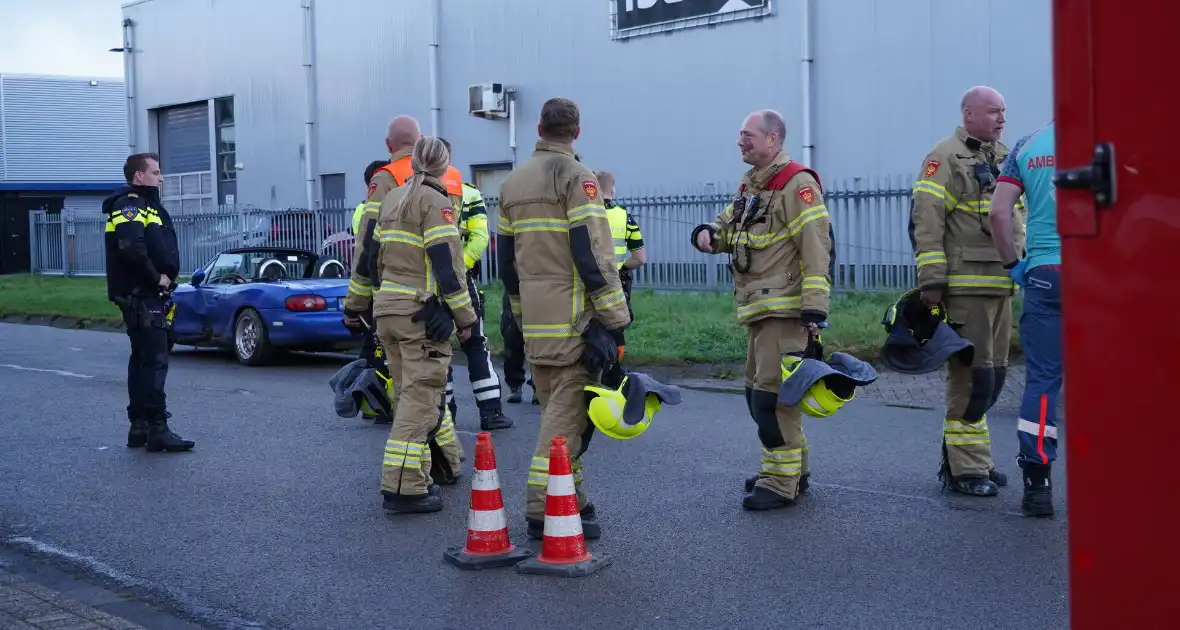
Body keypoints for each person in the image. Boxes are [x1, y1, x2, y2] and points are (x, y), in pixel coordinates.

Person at [497, 97, 631, 538]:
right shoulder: (578, 177)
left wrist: (518, 314)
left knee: (557, 408)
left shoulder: (512, 182)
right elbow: (592, 254)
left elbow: (505, 261)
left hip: (535, 318)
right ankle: (543, 507)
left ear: (538, 127)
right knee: (566, 419)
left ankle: (571, 496)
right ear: (576, 132)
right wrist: (614, 317)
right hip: (575, 319)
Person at [690, 109, 831, 510]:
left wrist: (814, 310)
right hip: (759, 310)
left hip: (786, 313)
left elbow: (816, 249)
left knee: (772, 400)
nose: (740, 141)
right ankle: (790, 470)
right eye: (739, 135)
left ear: (773, 139)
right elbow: (729, 227)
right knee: (760, 393)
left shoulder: (797, 185)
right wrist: (708, 235)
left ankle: (780, 482)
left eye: (748, 135)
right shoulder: (753, 185)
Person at [342, 136, 477, 514]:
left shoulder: (391, 199)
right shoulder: (437, 202)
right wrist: (465, 318)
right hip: (419, 313)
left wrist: (356, 305)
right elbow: (448, 268)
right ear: (444, 166)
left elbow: (368, 260)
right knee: (421, 398)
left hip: (387, 311)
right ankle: (404, 487)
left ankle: (438, 465)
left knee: (408, 394)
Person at [908, 86, 1022, 497]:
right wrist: (932, 282)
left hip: (1001, 285)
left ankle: (977, 458)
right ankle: (964, 470)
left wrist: (1021, 269)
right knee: (970, 380)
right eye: (994, 111)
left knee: (993, 377)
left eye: (1004, 112)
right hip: (966, 286)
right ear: (969, 114)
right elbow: (927, 222)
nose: (1001, 118)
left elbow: (1016, 220)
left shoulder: (1004, 155)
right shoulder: (944, 157)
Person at [103, 152, 194, 453]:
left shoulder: (145, 205)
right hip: (142, 293)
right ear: (138, 176)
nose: (161, 177)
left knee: (142, 358)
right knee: (154, 360)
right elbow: (131, 247)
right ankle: (157, 427)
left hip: (142, 293)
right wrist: (158, 278)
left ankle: (139, 426)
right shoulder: (129, 204)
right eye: (156, 172)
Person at [990, 120, 1058, 518]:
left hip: (1046, 273)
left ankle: (1037, 483)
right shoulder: (1114, 138)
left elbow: (999, 213)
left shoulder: (1028, 145)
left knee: (1044, 381)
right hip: (1103, 273)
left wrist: (1014, 265)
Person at [435, 138, 513, 431]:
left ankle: (446, 415)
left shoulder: (412, 193)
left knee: (438, 348)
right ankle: (491, 412)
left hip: (430, 284)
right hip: (463, 281)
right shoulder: (469, 194)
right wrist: (459, 268)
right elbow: (480, 238)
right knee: (476, 344)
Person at [352, 158, 392, 424]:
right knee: (379, 351)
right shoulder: (372, 210)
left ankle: (371, 404)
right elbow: (369, 254)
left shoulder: (361, 209)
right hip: (379, 288)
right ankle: (377, 404)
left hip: (371, 290)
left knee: (372, 348)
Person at [597, 170, 646, 322]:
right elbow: (640, 259)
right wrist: (622, 267)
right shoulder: (625, 217)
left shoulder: (581, 216)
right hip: (615, 283)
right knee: (616, 328)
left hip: (586, 283)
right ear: (613, 191)